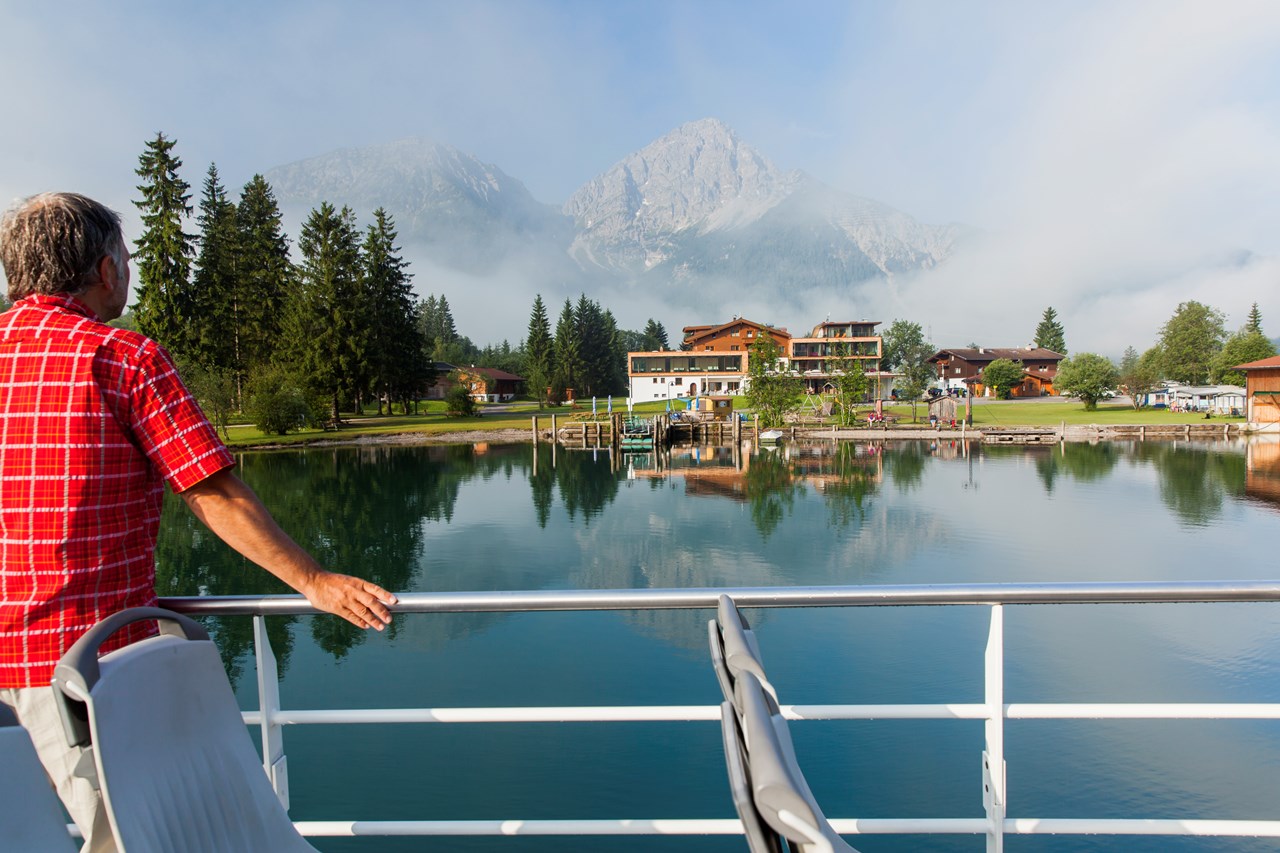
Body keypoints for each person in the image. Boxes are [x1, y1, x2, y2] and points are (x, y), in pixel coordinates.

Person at [0, 192, 398, 851]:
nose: (128, 271)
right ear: (104, 271)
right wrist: (315, 579)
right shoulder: (121, 359)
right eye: (124, 259)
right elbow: (213, 493)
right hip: (83, 675)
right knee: (124, 839)